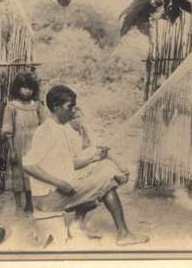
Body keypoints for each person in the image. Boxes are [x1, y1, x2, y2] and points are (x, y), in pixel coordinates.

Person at [22, 85, 149, 246]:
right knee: (107, 179)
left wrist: (94, 159)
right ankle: (123, 234)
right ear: (55, 107)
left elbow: (70, 164)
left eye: (74, 106)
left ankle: (79, 223)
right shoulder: (46, 131)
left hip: (56, 191)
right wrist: (60, 183)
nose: (73, 110)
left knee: (102, 171)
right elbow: (27, 165)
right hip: (47, 198)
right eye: (69, 106)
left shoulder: (60, 129)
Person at [1, 71, 47, 213]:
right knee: (17, 173)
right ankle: (18, 205)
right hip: (18, 145)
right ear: (17, 88)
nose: (27, 91)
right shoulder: (12, 107)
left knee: (31, 174)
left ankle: (29, 203)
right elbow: (8, 130)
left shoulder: (37, 106)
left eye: (30, 88)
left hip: (34, 146)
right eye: (24, 87)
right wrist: (12, 150)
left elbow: (44, 125)